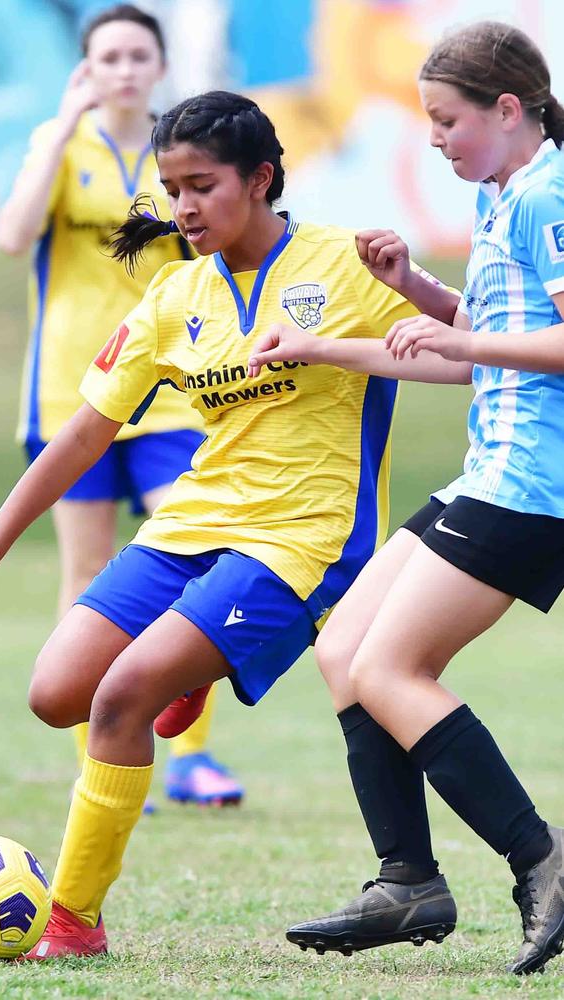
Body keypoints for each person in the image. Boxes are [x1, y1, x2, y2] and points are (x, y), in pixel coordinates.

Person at [0, 89, 470, 959]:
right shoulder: (175, 295)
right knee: (55, 694)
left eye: (202, 185)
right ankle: (187, 665)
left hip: (302, 538)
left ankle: (73, 924)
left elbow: (480, 347)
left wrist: (415, 287)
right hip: (191, 523)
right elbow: (83, 433)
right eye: (171, 188)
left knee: (119, 696)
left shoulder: (345, 265)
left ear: (260, 180)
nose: (183, 208)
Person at [247, 20, 564, 977]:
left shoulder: (551, 195)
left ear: (509, 110)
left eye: (446, 119)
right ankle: (408, 883)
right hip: (490, 472)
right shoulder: (507, 193)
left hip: (533, 488)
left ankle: (542, 860)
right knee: (342, 651)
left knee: (390, 668)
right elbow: (482, 337)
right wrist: (412, 293)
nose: (433, 137)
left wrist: (464, 343)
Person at [0, 3, 242, 808]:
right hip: (73, 392)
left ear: (161, 65)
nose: (125, 70)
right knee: (89, 574)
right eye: (108, 58)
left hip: (173, 392)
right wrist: (61, 127)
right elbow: (13, 234)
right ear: (86, 69)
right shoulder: (61, 147)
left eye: (140, 55)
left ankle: (192, 754)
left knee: (197, 553)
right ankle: (96, 750)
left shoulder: (182, 158)